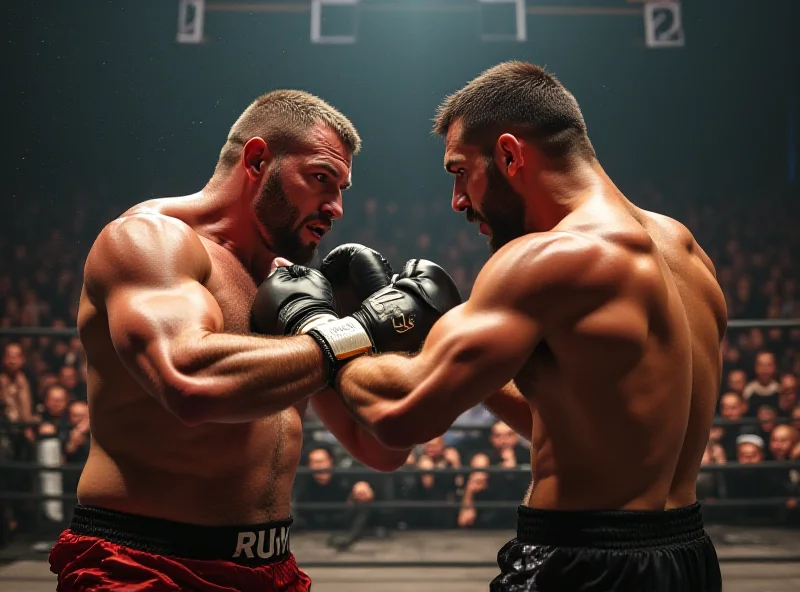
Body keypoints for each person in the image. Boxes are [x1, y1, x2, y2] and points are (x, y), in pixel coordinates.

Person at [292, 62, 728, 591]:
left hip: (582, 564)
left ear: (508, 154)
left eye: (459, 171)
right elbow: (583, 426)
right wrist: (436, 337)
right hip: (685, 558)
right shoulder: (682, 249)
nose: (458, 201)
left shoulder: (548, 256)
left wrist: (321, 326)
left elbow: (398, 415)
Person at [48, 90, 460, 591]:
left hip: (271, 569)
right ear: (258, 160)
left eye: (342, 188)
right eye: (321, 179)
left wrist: (389, 343)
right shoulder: (152, 241)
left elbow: (379, 446)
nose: (335, 207)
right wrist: (364, 328)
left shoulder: (290, 288)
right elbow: (189, 381)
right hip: (147, 564)